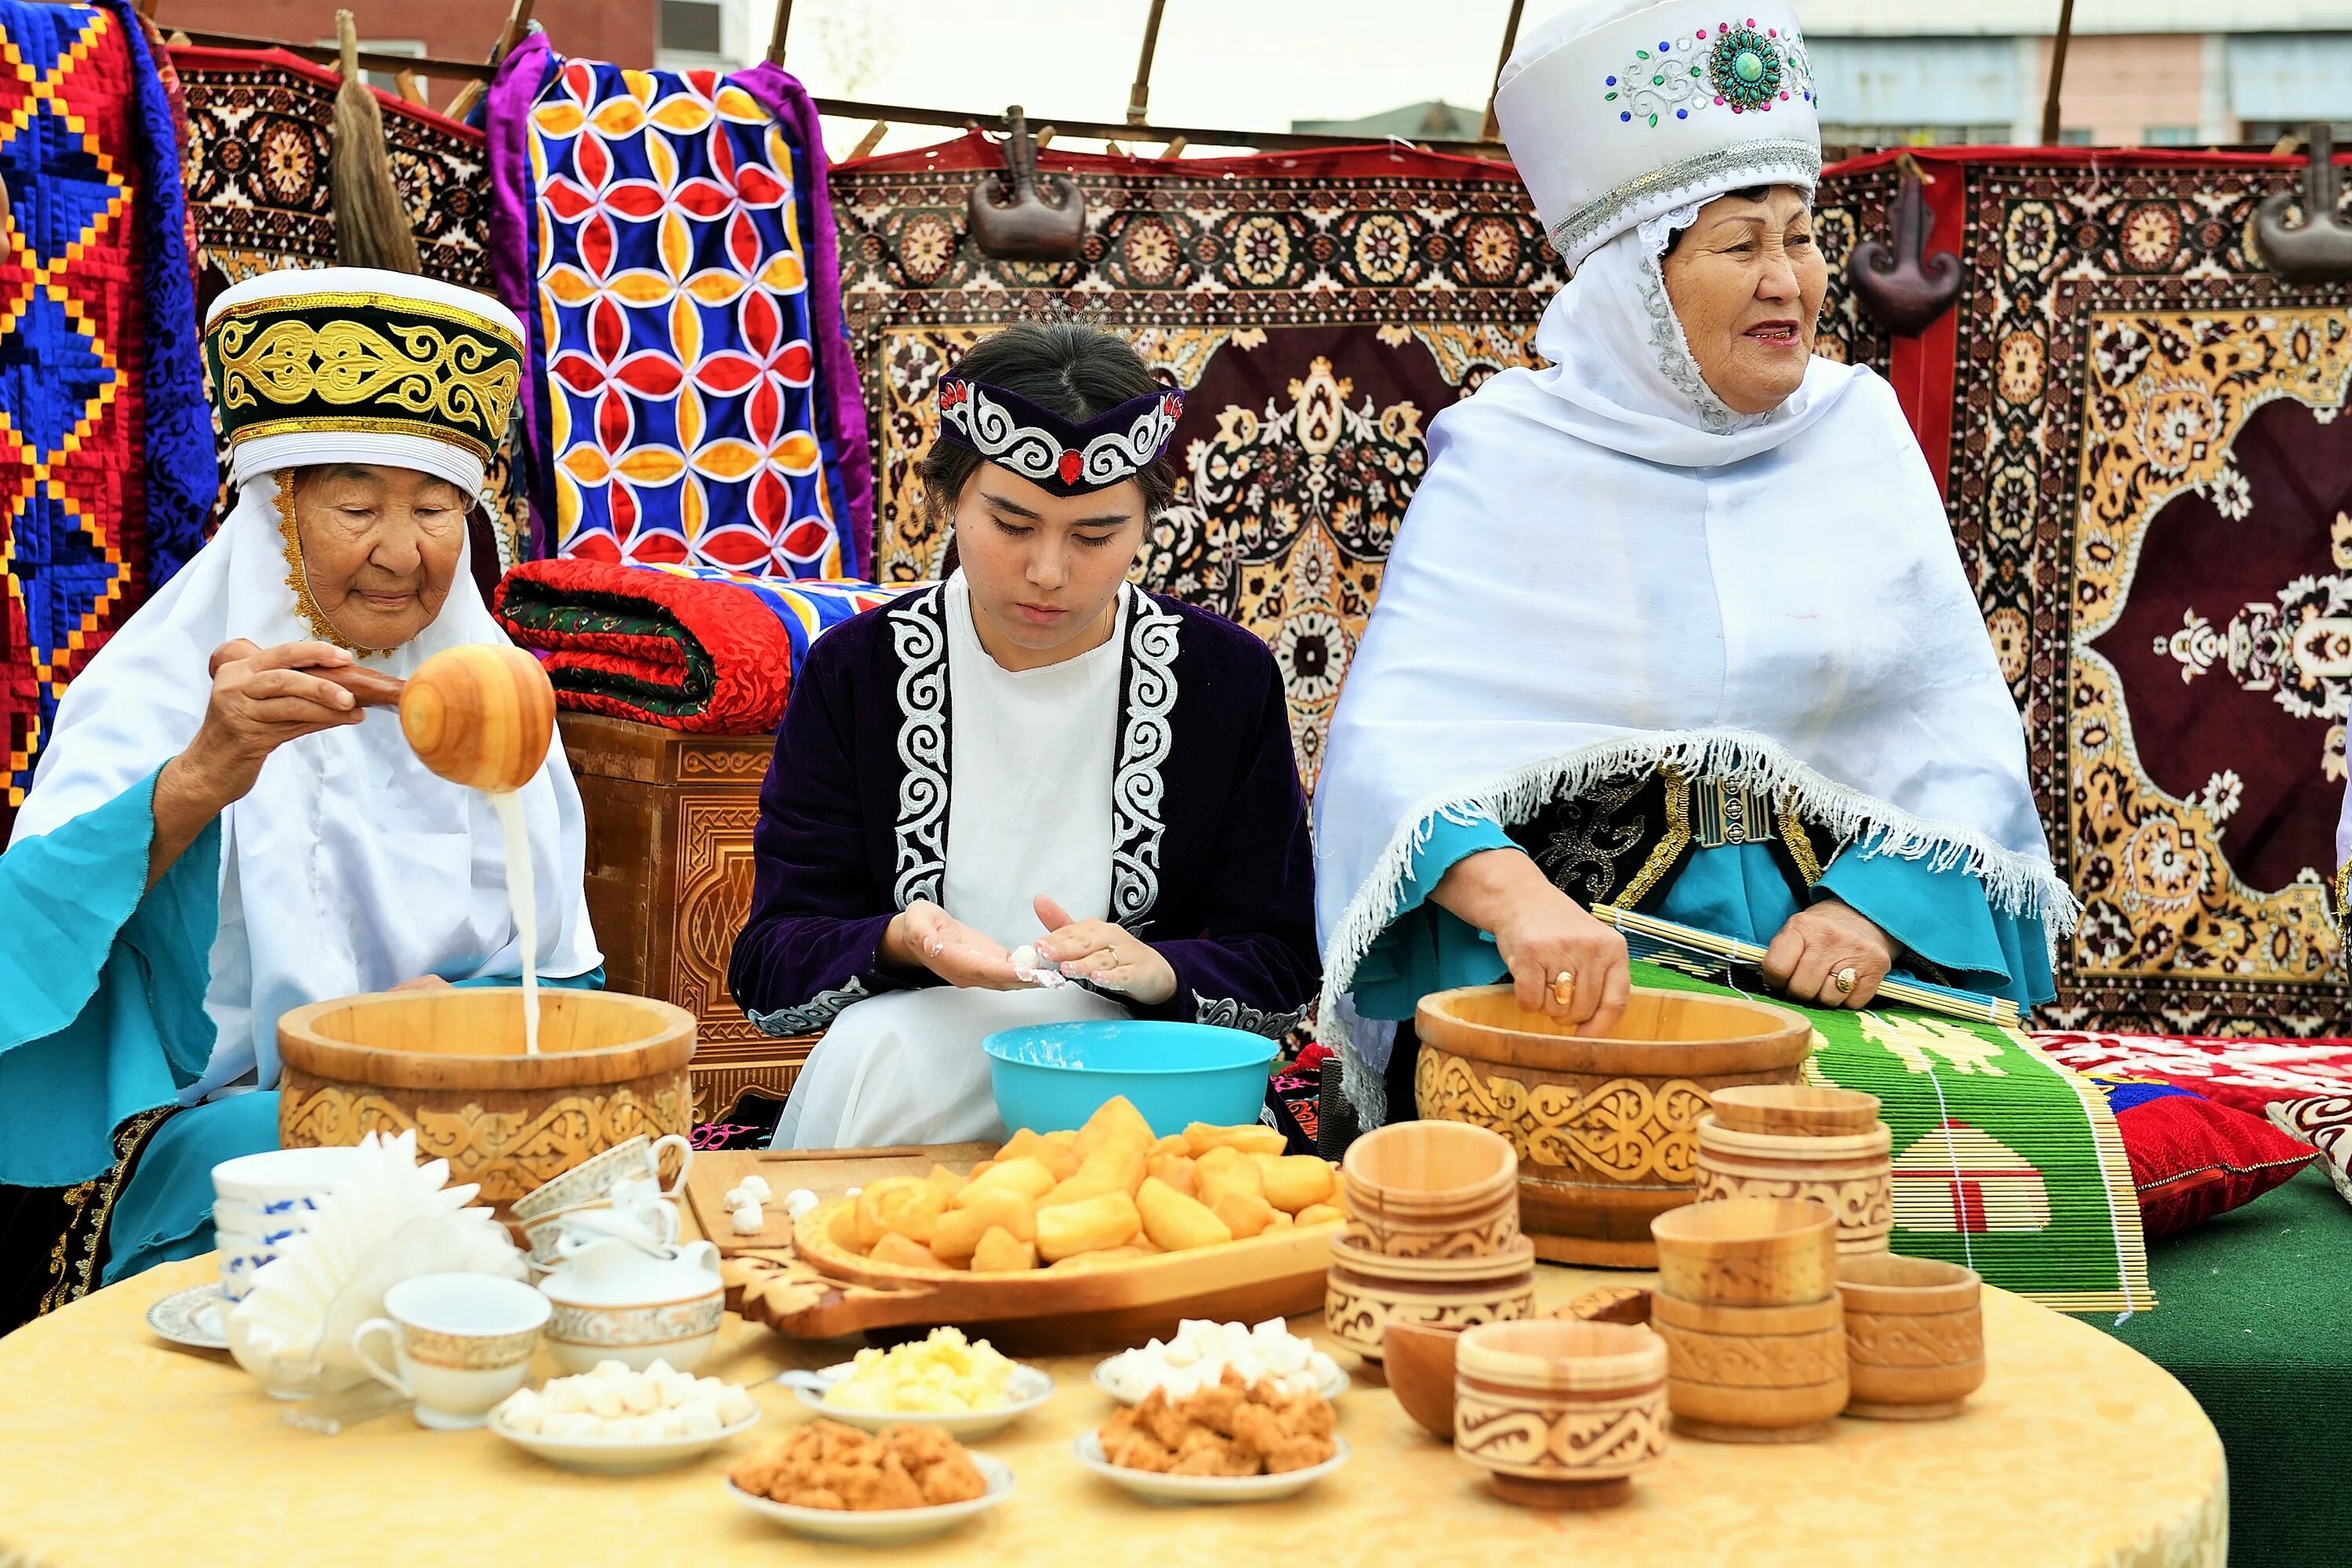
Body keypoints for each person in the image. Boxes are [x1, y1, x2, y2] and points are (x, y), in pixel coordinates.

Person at [1310, 0, 2073, 1128]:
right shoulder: (1511, 457)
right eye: (1740, 244)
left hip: (1845, 996)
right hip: (1567, 1002)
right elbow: (1396, 754)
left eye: (1802, 237)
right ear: (1635, 283)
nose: (1789, 282)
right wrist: (1523, 909)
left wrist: (1874, 916)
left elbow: (1952, 735)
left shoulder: (1857, 434)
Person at [0, 268, 600, 1328]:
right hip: (216, 1113)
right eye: (359, 506)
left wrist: (437, 1025)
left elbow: (568, 987)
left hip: (454, 1095)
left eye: (434, 507)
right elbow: (26, 944)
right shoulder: (163, 685)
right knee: (294, 1154)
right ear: (277, 508)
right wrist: (202, 776)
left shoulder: (490, 696)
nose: (403, 551)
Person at [730, 321, 1319, 1149]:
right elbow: (770, 962)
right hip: (913, 1060)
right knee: (875, 1051)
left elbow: (1283, 958)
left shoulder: (1224, 678)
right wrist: (903, 941)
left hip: (1139, 1074)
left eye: (1094, 536)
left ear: (1147, 521)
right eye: (1011, 524)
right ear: (950, 500)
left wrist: (1157, 972)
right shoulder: (858, 673)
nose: (1048, 570)